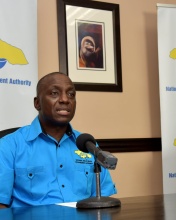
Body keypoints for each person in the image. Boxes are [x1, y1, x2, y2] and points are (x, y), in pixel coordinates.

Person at [0, 72, 117, 208]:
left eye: (71, 94)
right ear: (37, 103)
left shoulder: (88, 145)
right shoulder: (9, 146)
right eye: (54, 93)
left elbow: (102, 200)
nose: (65, 100)